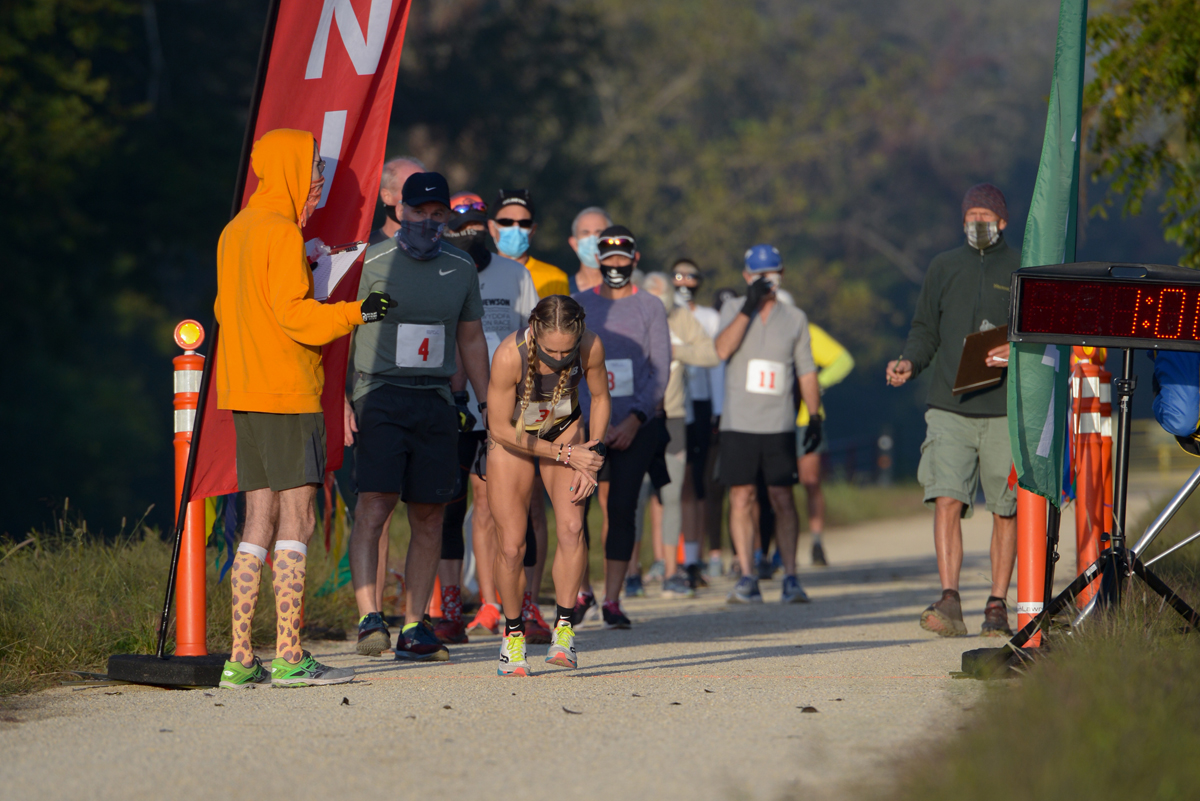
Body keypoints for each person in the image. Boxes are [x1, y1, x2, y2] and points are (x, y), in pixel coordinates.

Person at [214, 129, 393, 688]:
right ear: (291, 171)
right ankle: (291, 656)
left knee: (255, 523)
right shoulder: (281, 234)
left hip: (244, 393)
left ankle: (240, 659)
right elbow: (295, 316)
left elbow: (225, 308)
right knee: (299, 520)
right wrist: (357, 311)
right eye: (315, 174)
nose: (318, 186)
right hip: (288, 392)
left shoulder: (234, 230)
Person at [347, 171, 490, 662]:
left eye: (437, 215)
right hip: (380, 392)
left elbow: (471, 338)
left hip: (435, 398)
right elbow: (342, 329)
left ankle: (415, 624)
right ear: (399, 212)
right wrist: (340, 400)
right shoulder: (371, 261)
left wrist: (487, 404)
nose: (428, 223)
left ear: (446, 217)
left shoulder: (461, 265)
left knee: (431, 513)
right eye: (418, 214)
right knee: (375, 504)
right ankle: (369, 616)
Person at [886, 183, 1019, 638]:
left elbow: (1039, 333)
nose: (976, 223)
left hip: (1004, 408)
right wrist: (909, 361)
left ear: (1002, 222)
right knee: (946, 498)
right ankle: (950, 599)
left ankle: (997, 604)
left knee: (1006, 508)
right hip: (950, 404)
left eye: (985, 216)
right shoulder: (943, 267)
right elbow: (925, 329)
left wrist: (1013, 347)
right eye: (970, 215)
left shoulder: (1022, 268)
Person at [432, 191, 539, 645]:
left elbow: (537, 345)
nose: (469, 234)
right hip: (456, 406)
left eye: (476, 226)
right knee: (457, 509)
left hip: (513, 410)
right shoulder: (439, 271)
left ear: (487, 229)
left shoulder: (515, 274)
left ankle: (528, 606)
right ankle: (460, 608)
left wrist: (535, 412)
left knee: (523, 507)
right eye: (459, 227)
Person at [485, 296, 611, 675]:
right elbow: (500, 428)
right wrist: (563, 455)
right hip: (515, 438)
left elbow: (601, 397)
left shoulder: (591, 345)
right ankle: (512, 634)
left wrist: (593, 451)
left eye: (566, 351)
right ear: (535, 331)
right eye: (550, 350)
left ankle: (565, 628)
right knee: (511, 544)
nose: (558, 358)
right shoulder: (510, 354)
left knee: (572, 527)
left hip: (566, 428)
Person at [572, 226, 671, 627]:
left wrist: (635, 419)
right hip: (584, 427)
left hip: (636, 425)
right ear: (598, 258)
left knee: (621, 508)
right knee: (575, 509)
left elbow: (660, 371)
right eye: (608, 257)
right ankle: (580, 593)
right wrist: (584, 425)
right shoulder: (579, 305)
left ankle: (613, 599)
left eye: (622, 257)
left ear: (635, 258)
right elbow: (568, 369)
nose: (615, 265)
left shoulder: (651, 306)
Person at [716, 244, 822, 605]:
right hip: (739, 422)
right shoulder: (732, 309)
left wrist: (814, 415)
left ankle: (791, 575)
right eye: (759, 275)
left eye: (773, 273)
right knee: (741, 496)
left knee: (782, 497)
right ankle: (747, 574)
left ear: (782, 275)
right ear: (747, 277)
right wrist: (748, 305)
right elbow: (721, 350)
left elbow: (806, 369)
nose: (767, 280)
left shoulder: (795, 318)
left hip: (778, 423)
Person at [642, 271, 718, 597]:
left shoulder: (682, 318)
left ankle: (673, 572)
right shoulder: (631, 316)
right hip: (634, 420)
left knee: (672, 495)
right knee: (632, 497)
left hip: (673, 420)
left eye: (664, 303)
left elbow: (710, 354)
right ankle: (631, 574)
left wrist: (674, 350)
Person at [672, 260, 723, 580]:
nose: (685, 281)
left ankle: (696, 556)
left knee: (698, 482)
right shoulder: (664, 313)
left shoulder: (709, 317)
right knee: (673, 483)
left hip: (702, 403)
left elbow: (716, 365)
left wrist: (718, 409)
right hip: (673, 405)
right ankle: (670, 557)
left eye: (691, 276)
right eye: (678, 275)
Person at [795, 323, 854, 566]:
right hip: (770, 419)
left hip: (805, 418)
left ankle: (817, 540)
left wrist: (816, 383)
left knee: (811, 481)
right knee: (775, 488)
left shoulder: (803, 329)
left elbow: (843, 360)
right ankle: (774, 548)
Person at [490, 188, 569, 298]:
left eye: (524, 223)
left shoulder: (555, 278)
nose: (516, 228)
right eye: (506, 222)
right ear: (491, 227)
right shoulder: (478, 275)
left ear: (533, 229)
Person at [368, 156, 426, 245]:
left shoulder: (442, 252)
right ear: (386, 196)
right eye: (412, 190)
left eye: (425, 190)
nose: (422, 198)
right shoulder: (364, 252)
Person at [567, 206, 613, 293]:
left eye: (599, 232)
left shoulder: (624, 291)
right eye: (585, 233)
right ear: (573, 243)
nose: (592, 239)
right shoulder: (563, 290)